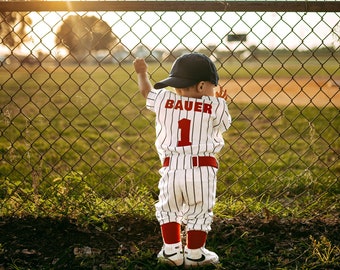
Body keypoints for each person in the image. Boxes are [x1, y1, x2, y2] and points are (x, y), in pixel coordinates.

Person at [133, 52, 231, 267]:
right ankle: (196, 254)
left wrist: (142, 73)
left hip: (171, 168)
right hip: (202, 169)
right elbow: (222, 126)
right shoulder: (216, 105)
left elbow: (146, 91)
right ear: (203, 86)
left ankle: (172, 253)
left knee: (168, 209)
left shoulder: (165, 99)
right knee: (199, 210)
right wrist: (218, 103)